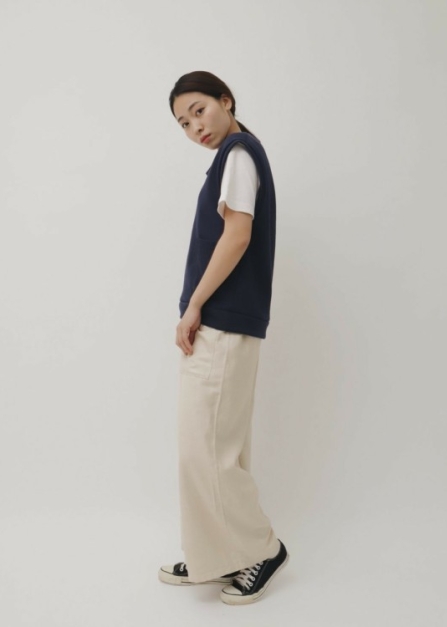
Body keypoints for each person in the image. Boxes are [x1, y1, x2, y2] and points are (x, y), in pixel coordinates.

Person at [158, 70, 289, 605]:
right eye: (184, 123)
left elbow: (237, 235)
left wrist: (194, 306)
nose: (195, 126)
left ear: (225, 101)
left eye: (199, 110)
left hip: (223, 321)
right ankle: (216, 553)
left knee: (206, 451)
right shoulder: (233, 157)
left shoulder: (238, 153)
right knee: (215, 447)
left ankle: (262, 549)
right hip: (226, 320)